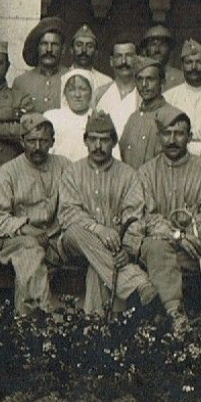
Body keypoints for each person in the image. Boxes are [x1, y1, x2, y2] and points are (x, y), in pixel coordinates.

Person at [59, 111, 163, 317]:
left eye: (104, 140)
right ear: (85, 141)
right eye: (93, 140)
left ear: (114, 142)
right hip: (75, 246)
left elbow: (134, 217)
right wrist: (99, 229)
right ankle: (137, 282)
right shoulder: (72, 172)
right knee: (75, 231)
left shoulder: (128, 174)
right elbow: (68, 213)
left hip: (112, 253)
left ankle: (95, 330)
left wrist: (127, 250)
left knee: (96, 270)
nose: (98, 146)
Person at [135, 108, 201, 320]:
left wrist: (191, 239)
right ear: (159, 137)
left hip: (195, 250)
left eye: (179, 134)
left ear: (190, 137)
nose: (172, 140)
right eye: (167, 133)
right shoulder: (146, 172)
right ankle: (175, 317)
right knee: (155, 247)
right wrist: (178, 237)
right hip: (162, 250)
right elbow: (147, 216)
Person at [0, 112, 70, 316]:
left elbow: (72, 208)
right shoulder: (9, 171)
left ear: (52, 142)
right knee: (30, 252)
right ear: (22, 141)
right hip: (18, 241)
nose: (37, 147)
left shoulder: (64, 166)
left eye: (43, 141)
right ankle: (37, 319)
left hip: (55, 239)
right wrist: (26, 228)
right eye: (31, 141)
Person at [45, 69, 118, 163]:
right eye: (71, 90)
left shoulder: (100, 119)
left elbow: (113, 154)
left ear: (91, 92)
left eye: (83, 89)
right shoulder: (52, 117)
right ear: (64, 93)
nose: (77, 95)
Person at [118, 57, 179, 168]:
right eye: (140, 79)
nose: (144, 85)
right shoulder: (133, 118)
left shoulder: (172, 117)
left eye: (150, 79)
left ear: (162, 82)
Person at [163, 38, 201, 136]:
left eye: (200, 62)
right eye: (189, 62)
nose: (194, 67)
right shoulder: (169, 98)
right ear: (182, 66)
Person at [12, 16, 67, 113]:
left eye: (54, 44)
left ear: (63, 49)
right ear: (37, 47)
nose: (49, 49)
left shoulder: (72, 78)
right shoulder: (21, 82)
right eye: (44, 44)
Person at [93, 39, 143, 137]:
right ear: (111, 61)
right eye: (118, 56)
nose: (123, 61)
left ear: (138, 60)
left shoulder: (144, 95)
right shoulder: (99, 94)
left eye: (129, 56)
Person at [67, 24, 112, 94]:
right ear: (71, 50)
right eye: (79, 45)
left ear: (96, 52)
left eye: (90, 46)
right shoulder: (62, 78)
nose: (84, 50)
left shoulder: (106, 82)